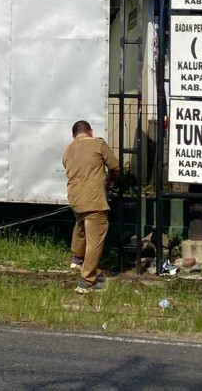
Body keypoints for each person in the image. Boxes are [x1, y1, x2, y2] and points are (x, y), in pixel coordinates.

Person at [63, 119, 120, 294]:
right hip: (94, 199)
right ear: (90, 132)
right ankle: (87, 281)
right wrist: (111, 181)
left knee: (81, 224)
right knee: (95, 240)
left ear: (74, 136)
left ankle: (77, 259)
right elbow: (115, 167)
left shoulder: (68, 150)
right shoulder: (98, 144)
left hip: (75, 198)